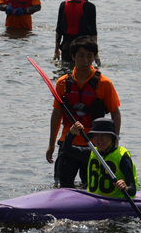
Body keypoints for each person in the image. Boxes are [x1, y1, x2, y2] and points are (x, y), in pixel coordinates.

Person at [47, 36, 121, 188]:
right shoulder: (62, 83)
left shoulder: (104, 84)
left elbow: (115, 113)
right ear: (73, 57)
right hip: (67, 144)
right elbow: (56, 114)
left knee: (91, 187)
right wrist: (51, 144)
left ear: (94, 58)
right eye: (81, 56)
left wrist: (114, 142)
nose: (85, 61)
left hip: (95, 145)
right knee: (61, 185)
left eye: (90, 56)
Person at [63, 119, 137, 198]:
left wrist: (125, 188)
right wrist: (72, 132)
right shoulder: (91, 152)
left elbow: (132, 190)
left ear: (112, 137)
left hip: (117, 203)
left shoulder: (122, 156)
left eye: (104, 135)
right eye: (96, 135)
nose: (99, 139)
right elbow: (66, 149)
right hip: (94, 201)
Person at [54, 0, 100, 66]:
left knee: (65, 74)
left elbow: (59, 29)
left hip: (67, 47)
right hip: (84, 49)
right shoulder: (90, 7)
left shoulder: (63, 5)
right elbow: (93, 32)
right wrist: (96, 54)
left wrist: (56, 50)